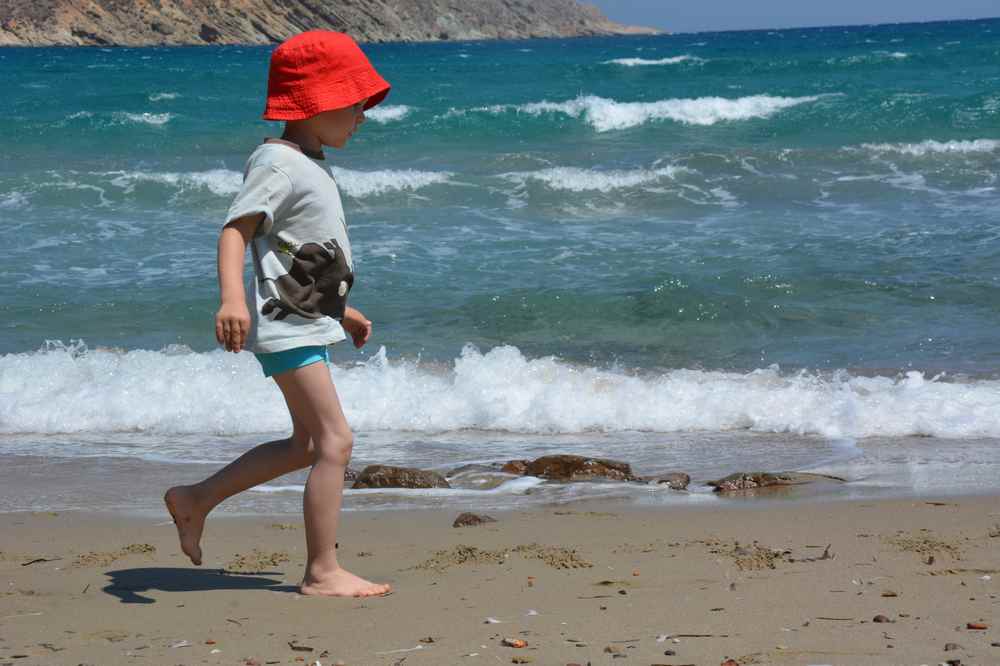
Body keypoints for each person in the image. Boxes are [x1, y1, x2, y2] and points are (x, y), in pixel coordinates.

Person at [164, 30, 392, 598]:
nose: (362, 116)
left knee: (307, 446)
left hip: (306, 318)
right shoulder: (277, 162)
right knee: (336, 441)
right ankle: (322, 572)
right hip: (285, 326)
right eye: (355, 103)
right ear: (316, 104)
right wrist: (232, 298)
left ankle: (195, 499)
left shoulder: (307, 161)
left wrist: (342, 311)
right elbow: (236, 231)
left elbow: (295, 255)